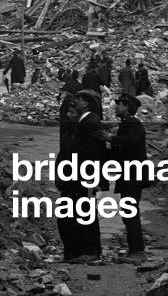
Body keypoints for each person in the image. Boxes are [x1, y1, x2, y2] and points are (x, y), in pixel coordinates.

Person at [105, 93, 147, 259]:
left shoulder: (133, 124)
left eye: (119, 104)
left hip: (133, 175)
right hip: (130, 174)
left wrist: (111, 138)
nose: (116, 107)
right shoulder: (127, 124)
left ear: (127, 107)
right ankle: (135, 249)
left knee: (130, 213)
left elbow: (129, 141)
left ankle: (138, 251)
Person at [69, 89, 106, 262]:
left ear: (86, 103)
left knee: (85, 212)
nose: (76, 102)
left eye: (79, 99)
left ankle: (90, 251)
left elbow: (93, 153)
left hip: (87, 176)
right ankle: (92, 250)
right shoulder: (86, 121)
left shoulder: (90, 122)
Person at [55, 101, 80, 261]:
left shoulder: (77, 133)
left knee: (70, 219)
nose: (68, 116)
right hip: (68, 180)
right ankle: (71, 251)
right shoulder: (70, 131)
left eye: (72, 113)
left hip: (74, 181)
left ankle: (74, 252)